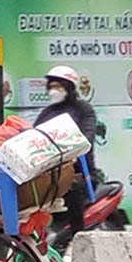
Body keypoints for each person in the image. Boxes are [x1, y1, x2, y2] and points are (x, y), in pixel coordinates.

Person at [34, 65, 98, 249]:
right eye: (51, 86)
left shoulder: (83, 110)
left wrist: (72, 152)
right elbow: (34, 136)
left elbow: (88, 136)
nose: (54, 90)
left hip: (79, 174)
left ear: (69, 87)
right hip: (49, 174)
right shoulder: (47, 113)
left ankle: (79, 239)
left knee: (74, 188)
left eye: (59, 86)